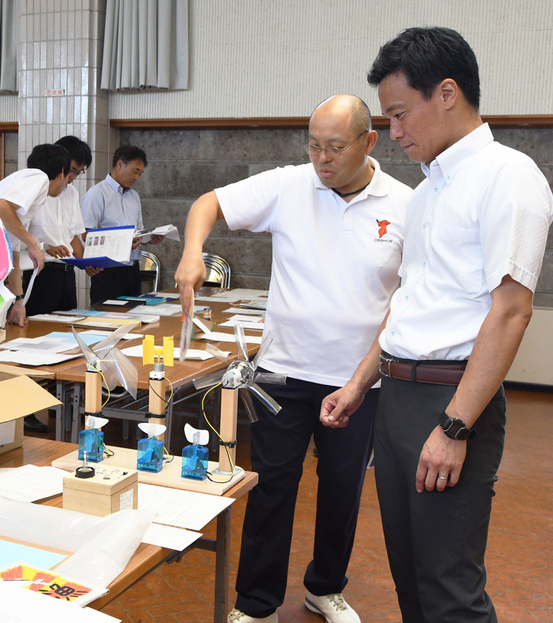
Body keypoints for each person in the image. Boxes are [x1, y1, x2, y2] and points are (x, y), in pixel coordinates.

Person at [320, 28, 553, 623]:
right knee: (411, 577)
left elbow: (510, 310)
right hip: (396, 397)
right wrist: (358, 384)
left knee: (451, 589)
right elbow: (407, 304)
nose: (393, 133)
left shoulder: (509, 176)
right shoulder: (426, 194)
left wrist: (455, 425)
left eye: (400, 114)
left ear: (447, 93)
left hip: (452, 401)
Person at [175, 95, 413, 623]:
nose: (321, 159)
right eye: (313, 146)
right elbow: (208, 203)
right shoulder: (289, 185)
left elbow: (405, 299)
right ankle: (256, 603)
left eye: (334, 147)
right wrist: (194, 252)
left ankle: (324, 588)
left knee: (342, 491)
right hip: (282, 372)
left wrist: (363, 379)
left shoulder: (405, 204)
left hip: (358, 382)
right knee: (273, 487)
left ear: (369, 142)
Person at [0, 144, 69, 434]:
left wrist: (19, 301)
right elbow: (0, 208)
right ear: (60, 173)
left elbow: (14, 255)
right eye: (69, 178)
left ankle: (3, 415)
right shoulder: (38, 179)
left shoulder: (22, 184)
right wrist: (34, 243)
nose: (67, 185)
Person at [19, 136, 99, 316]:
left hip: (67, 274)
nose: (73, 177)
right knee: (38, 333)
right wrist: (45, 246)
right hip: (41, 273)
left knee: (68, 328)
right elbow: (16, 237)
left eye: (79, 172)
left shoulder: (71, 192)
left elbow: (72, 235)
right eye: (71, 171)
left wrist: (87, 263)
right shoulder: (34, 191)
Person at [81, 144, 163, 304]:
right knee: (106, 319)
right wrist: (122, 242)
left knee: (134, 316)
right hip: (108, 270)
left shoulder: (134, 196)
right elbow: (87, 235)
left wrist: (150, 238)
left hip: (132, 268)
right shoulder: (97, 194)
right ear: (120, 164)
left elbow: (137, 232)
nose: (137, 178)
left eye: (140, 173)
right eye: (135, 171)